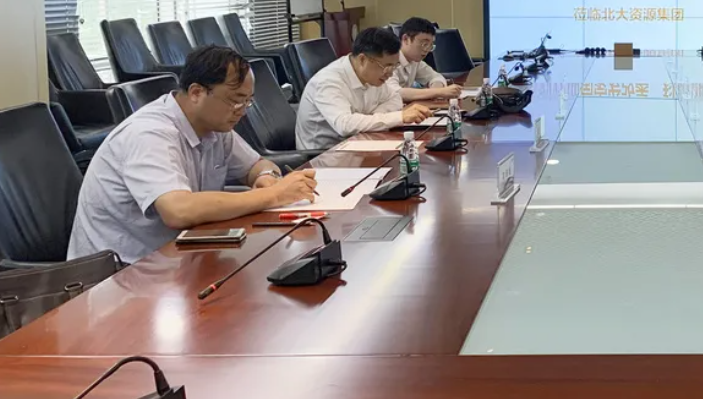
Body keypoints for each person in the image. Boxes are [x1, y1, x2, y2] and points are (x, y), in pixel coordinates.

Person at [67, 46, 318, 263]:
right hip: (117, 273)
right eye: (235, 100)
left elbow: (256, 165)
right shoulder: (149, 134)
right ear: (197, 92)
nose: (242, 111)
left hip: (177, 256)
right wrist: (273, 195)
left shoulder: (215, 126)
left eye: (248, 101)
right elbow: (178, 210)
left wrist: (265, 177)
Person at [296, 27, 432, 150]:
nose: (390, 73)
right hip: (323, 156)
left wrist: (375, 118)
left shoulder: (372, 75)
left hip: (358, 144)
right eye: (387, 66)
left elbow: (394, 98)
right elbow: (345, 125)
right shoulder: (329, 81)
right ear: (362, 60)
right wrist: (399, 117)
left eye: (394, 66)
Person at [393, 17, 462, 101]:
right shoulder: (389, 60)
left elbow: (436, 77)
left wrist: (436, 89)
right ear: (406, 39)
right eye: (424, 44)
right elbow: (396, 93)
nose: (427, 50)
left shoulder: (415, 61)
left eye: (430, 45)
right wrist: (438, 92)